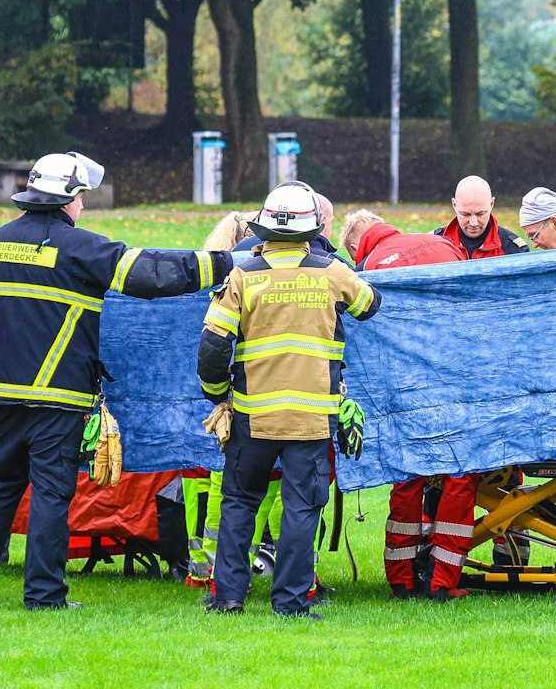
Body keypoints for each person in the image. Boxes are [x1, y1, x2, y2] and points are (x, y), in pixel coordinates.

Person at [0, 152, 230, 609]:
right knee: (52, 495)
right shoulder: (82, 248)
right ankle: (44, 594)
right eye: (82, 198)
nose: (83, 207)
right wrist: (228, 263)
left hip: (4, 394)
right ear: (69, 199)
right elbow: (153, 275)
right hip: (59, 396)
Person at [199, 182, 382, 619]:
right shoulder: (332, 272)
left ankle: (227, 598)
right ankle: (292, 603)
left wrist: (217, 396)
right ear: (312, 228)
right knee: (302, 508)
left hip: (252, 417)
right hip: (311, 419)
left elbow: (212, 347)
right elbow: (370, 305)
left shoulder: (243, 275)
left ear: (263, 228)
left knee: (240, 503)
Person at [340, 210, 477, 600]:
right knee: (460, 476)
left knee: (407, 476)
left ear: (355, 246)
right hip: (455, 379)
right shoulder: (444, 244)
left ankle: (401, 579)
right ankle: (442, 582)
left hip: (403, 388)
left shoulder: (366, 268)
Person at [183, 210, 284, 591]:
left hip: (202, 393)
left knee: (203, 484)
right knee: (250, 491)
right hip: (244, 397)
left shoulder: (203, 275)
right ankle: (233, 568)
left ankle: (201, 568)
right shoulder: (252, 273)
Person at [434, 176, 529, 259]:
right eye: (465, 214)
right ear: (454, 205)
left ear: (492, 204)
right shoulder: (434, 244)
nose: (473, 223)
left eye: (480, 214)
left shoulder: (514, 250)